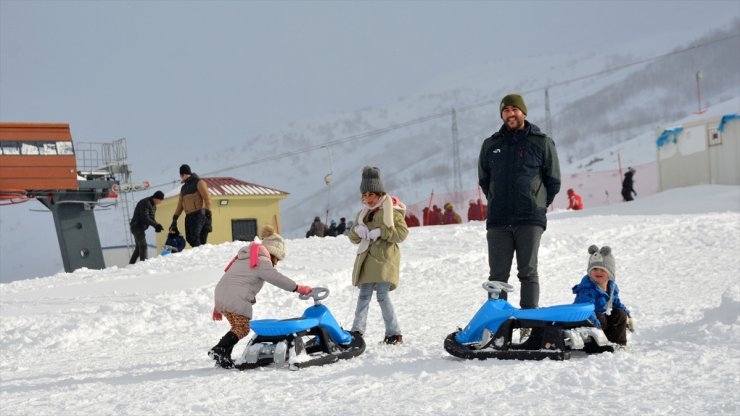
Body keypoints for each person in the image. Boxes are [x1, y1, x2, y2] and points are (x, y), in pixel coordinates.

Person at [478, 94, 561, 309]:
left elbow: (553, 180)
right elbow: (485, 180)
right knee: (497, 276)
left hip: (529, 219)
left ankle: (528, 326)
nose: (510, 114)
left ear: (523, 112)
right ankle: (496, 327)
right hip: (498, 220)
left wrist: (537, 204)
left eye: (514, 109)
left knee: (528, 272)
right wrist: (498, 201)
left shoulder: (541, 142)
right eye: (506, 110)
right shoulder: (490, 145)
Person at [209, 224, 313, 368]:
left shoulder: (245, 258)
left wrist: (218, 305)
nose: (276, 263)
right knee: (242, 329)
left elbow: (229, 281)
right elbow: (276, 278)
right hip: (235, 297)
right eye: (277, 259)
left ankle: (224, 353)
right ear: (272, 253)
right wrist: (297, 288)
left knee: (236, 327)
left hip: (222, 294)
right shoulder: (262, 260)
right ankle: (220, 349)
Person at [348, 166, 409, 345]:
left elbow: (402, 233)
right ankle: (357, 331)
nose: (367, 199)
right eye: (364, 196)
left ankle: (394, 333)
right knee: (363, 296)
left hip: (384, 260)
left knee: (382, 296)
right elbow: (352, 238)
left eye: (370, 195)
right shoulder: (363, 214)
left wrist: (381, 232)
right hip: (366, 261)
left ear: (379, 193)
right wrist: (357, 230)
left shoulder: (392, 210)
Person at [572, 245, 633, 345]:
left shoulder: (611, 287)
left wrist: (627, 314)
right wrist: (596, 322)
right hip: (585, 319)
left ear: (610, 273)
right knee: (599, 316)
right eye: (595, 268)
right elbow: (586, 308)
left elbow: (616, 303)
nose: (598, 272)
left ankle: (618, 343)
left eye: (602, 270)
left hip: (601, 321)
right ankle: (596, 344)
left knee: (619, 313)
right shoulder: (588, 288)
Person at [171, 164, 212, 248]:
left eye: (182, 175)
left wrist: (208, 211)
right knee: (189, 238)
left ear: (186, 174)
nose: (181, 177)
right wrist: (175, 218)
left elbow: (207, 197)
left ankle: (200, 255)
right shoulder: (183, 188)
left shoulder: (199, 182)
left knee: (195, 237)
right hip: (189, 216)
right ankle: (201, 253)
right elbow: (180, 204)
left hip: (199, 214)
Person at [129, 191, 165, 264]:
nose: (160, 202)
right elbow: (145, 217)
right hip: (136, 226)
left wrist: (157, 226)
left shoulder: (153, 205)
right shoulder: (145, 202)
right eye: (160, 200)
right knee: (143, 246)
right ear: (156, 198)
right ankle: (144, 265)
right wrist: (155, 225)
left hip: (140, 228)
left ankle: (131, 265)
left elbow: (151, 218)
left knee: (138, 248)